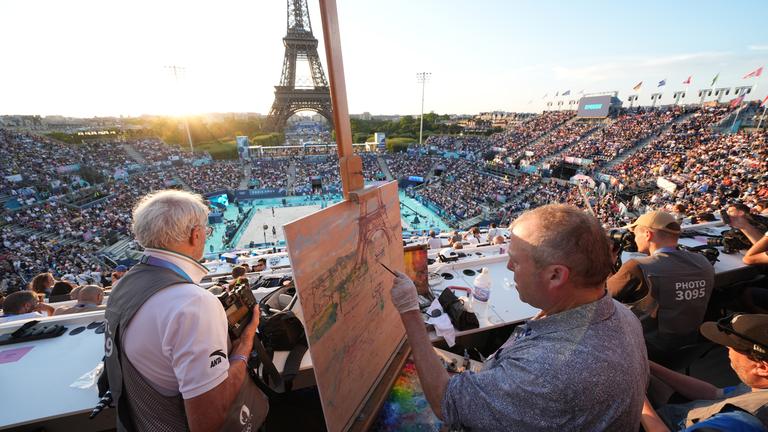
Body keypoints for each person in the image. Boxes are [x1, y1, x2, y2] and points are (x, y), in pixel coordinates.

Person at [390, 204, 648, 430]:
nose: (509, 266)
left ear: (556, 275)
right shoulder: (625, 316)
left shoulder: (546, 371)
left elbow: (444, 402)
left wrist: (410, 311)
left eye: (515, 260)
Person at [104, 190, 267, 431]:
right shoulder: (192, 303)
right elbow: (209, 421)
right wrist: (244, 345)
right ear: (196, 234)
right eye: (206, 230)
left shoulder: (124, 285)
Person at [608, 210, 715, 363]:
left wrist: (607, 261)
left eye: (636, 234)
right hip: (690, 346)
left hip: (650, 351)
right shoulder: (703, 262)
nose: (634, 239)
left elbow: (602, 295)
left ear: (647, 234)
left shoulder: (637, 267)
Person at [641, 314, 768, 431]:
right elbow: (715, 394)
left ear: (762, 368)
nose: (727, 349)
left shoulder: (737, 423)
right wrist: (649, 365)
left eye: (732, 346)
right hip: (685, 411)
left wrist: (638, 397)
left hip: (668, 425)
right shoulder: (760, 386)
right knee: (651, 377)